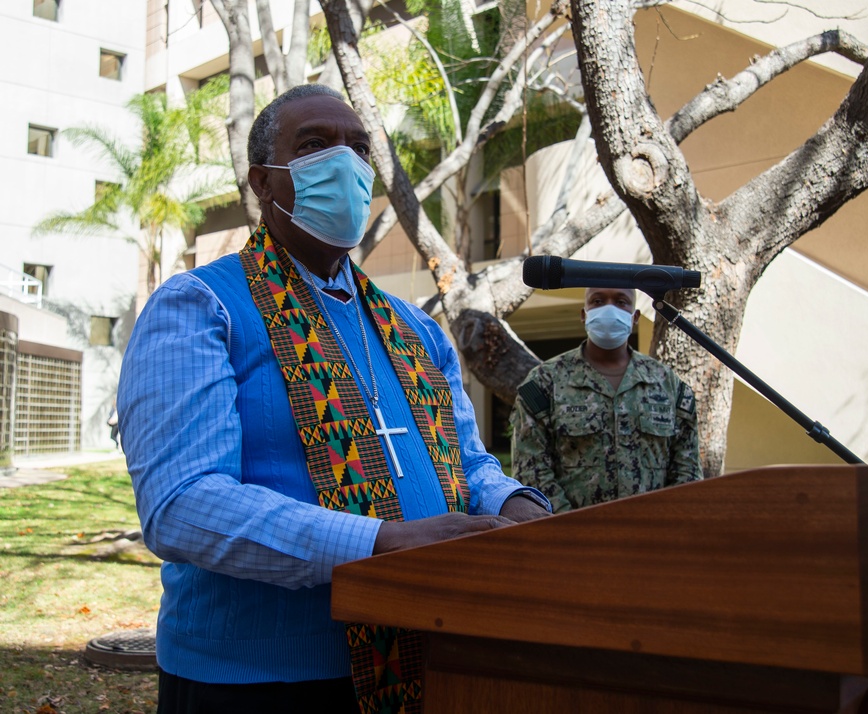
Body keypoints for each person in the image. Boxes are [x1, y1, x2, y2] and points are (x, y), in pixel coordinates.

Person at [117, 84, 550, 714]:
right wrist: (379, 544)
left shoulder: (415, 328)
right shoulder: (200, 307)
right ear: (263, 183)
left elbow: (467, 464)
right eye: (316, 145)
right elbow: (181, 504)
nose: (344, 164)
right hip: (253, 682)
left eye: (359, 148)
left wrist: (516, 509)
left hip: (426, 653)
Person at [510, 285, 702, 514]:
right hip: (570, 538)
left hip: (653, 536)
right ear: (584, 314)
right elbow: (531, 471)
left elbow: (687, 470)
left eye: (621, 302)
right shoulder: (544, 382)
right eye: (598, 301)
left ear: (635, 317)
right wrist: (574, 528)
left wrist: (663, 525)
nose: (609, 309)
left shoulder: (668, 384)